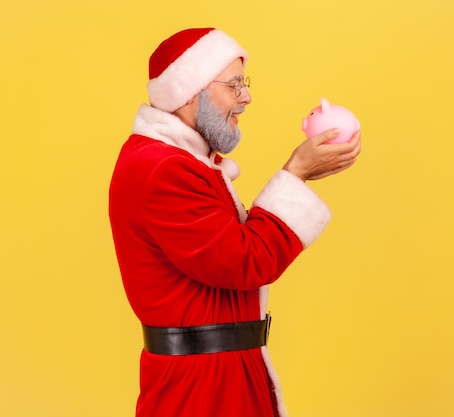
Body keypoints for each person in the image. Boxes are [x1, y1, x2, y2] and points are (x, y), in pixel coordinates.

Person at [108, 27, 361, 417]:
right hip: (200, 390)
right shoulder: (161, 169)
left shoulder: (182, 163)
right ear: (189, 91)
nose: (246, 97)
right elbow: (245, 261)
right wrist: (295, 173)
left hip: (223, 377)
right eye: (234, 85)